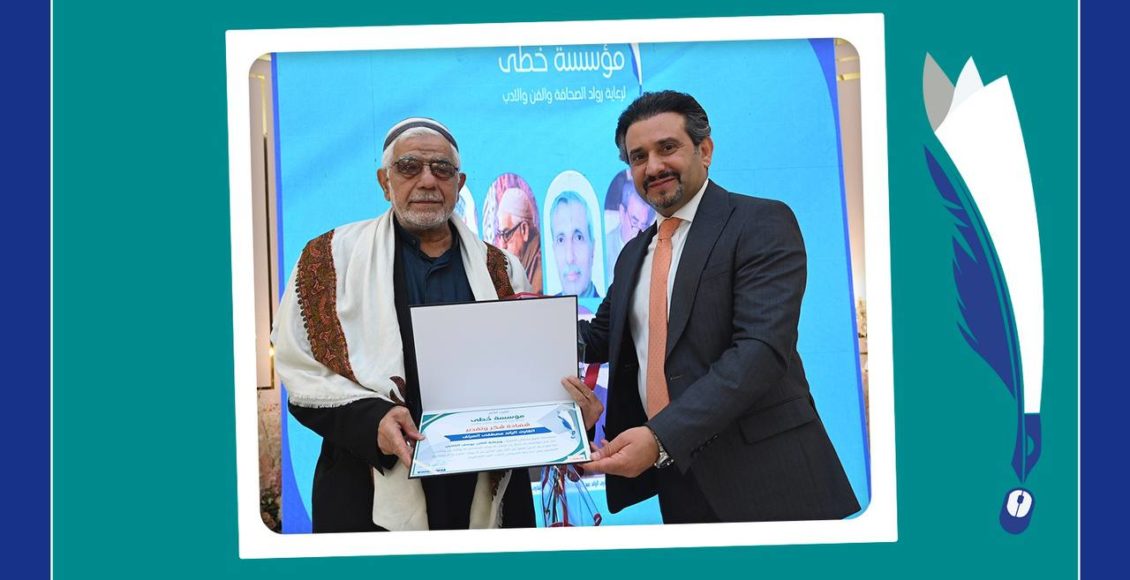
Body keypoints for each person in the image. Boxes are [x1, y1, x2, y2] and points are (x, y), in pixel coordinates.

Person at [565, 91, 860, 524]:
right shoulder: (632, 254)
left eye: (667, 148)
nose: (653, 167)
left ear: (704, 150)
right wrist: (509, 328)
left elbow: (759, 352)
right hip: (678, 483)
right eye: (638, 156)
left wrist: (660, 437)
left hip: (771, 479)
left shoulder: (760, 222)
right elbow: (596, 339)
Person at [273, 117, 537, 532]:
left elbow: (527, 369)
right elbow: (300, 370)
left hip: (484, 486)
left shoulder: (501, 268)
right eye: (409, 167)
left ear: (459, 183)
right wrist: (373, 420)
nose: (427, 180)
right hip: (366, 485)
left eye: (442, 169)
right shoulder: (331, 259)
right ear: (385, 181)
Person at [492, 175, 543, 293]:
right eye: (500, 235)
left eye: (506, 234)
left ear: (524, 230)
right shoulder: (522, 263)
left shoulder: (540, 270)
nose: (502, 245)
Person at [549, 190, 601, 299]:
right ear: (554, 250)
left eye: (578, 238)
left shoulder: (613, 308)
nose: (570, 258)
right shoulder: (545, 308)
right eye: (561, 240)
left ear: (593, 248)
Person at [604, 173, 655, 284]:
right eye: (634, 222)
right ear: (622, 213)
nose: (638, 232)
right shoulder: (605, 247)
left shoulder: (652, 247)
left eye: (644, 225)